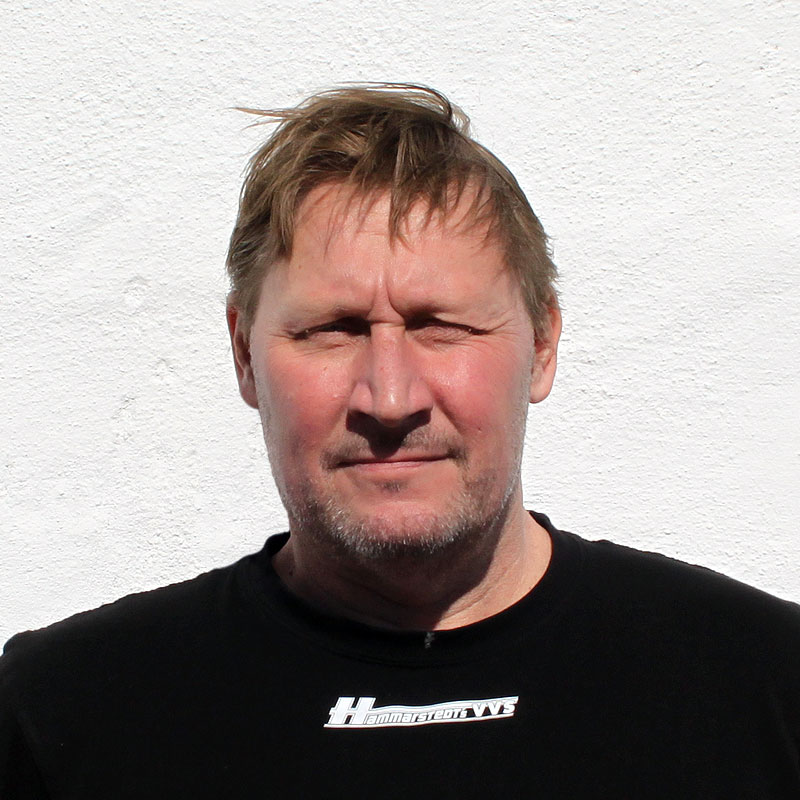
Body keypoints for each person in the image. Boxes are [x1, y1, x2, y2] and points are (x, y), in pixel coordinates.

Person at [1, 85, 798, 798]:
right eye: (333, 329)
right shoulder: (61, 714)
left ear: (543, 346)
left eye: (440, 326)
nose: (389, 398)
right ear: (244, 354)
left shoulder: (765, 686)